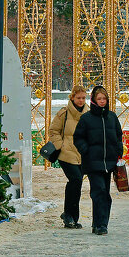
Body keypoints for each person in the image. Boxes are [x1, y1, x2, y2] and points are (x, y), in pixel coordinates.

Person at [73, 85, 124, 235]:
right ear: (94, 100)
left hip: (109, 162)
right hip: (93, 162)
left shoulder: (112, 117)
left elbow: (118, 135)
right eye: (99, 99)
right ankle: (101, 225)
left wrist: (118, 150)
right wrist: (85, 150)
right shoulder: (86, 118)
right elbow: (78, 137)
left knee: (105, 193)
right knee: (99, 191)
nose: (102, 101)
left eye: (104, 99)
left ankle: (99, 223)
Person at [47, 84, 89, 229]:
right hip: (66, 154)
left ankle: (72, 217)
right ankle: (69, 215)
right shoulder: (63, 113)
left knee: (76, 184)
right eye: (78, 98)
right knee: (75, 179)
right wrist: (60, 146)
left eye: (83, 98)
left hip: (81, 154)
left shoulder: (89, 113)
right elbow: (53, 131)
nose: (81, 101)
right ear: (72, 97)